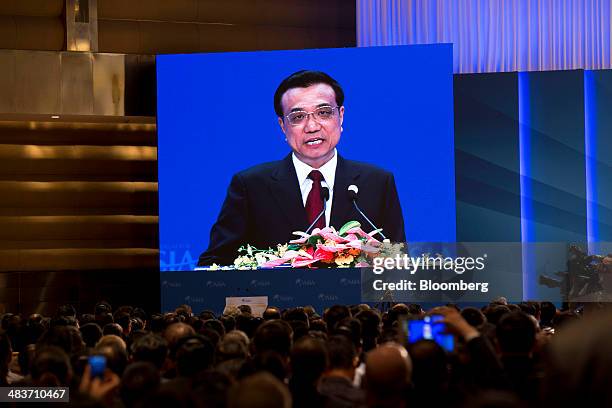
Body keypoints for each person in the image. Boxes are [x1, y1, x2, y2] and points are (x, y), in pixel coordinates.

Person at [198, 70, 405, 266]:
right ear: (282, 125)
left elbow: (397, 262)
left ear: (340, 116)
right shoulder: (251, 186)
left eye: (323, 113)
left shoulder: (377, 183)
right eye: (298, 117)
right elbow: (214, 263)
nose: (312, 126)